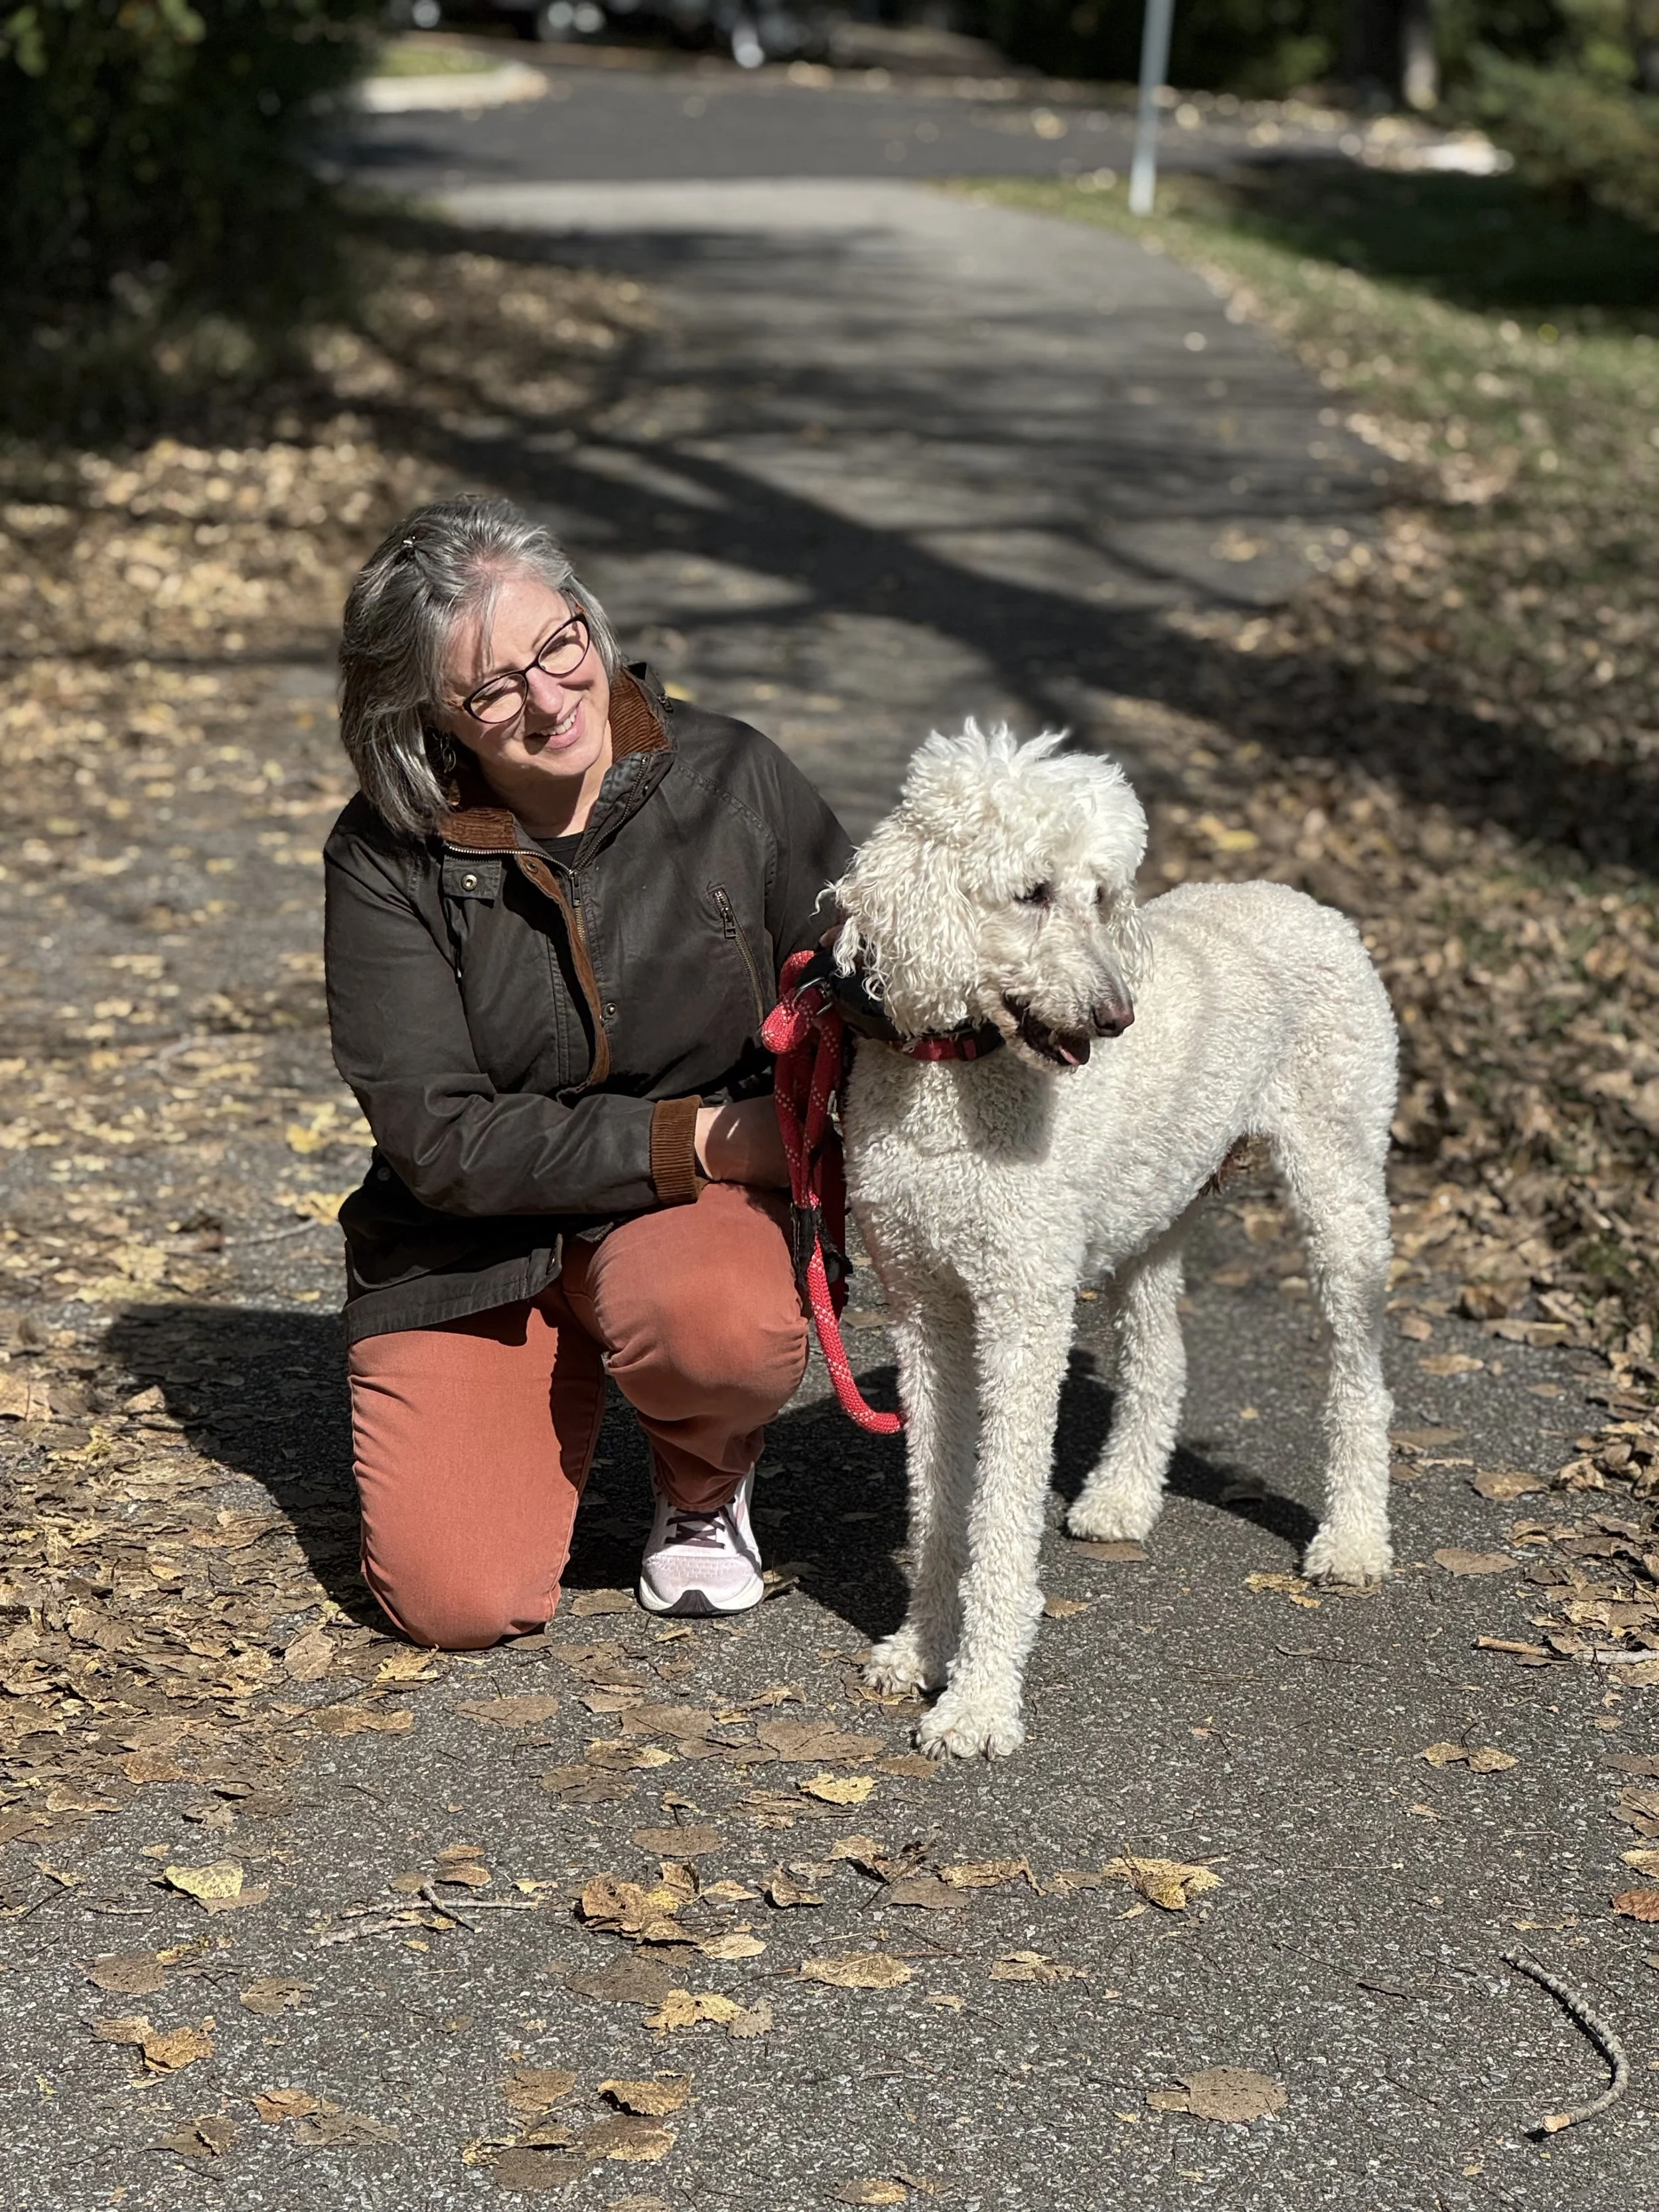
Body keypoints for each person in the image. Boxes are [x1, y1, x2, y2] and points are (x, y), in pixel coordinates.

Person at [324, 495, 851, 1646]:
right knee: (456, 1601)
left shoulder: (734, 780)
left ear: (589, 622)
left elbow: (870, 990)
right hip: (472, 1241)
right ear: (430, 716)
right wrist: (706, 1138)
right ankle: (539, 1375)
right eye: (491, 688)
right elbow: (442, 1140)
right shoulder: (381, 854)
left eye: (558, 646)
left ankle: (701, 1486)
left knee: (717, 1327)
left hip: (685, 1221)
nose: (551, 699)